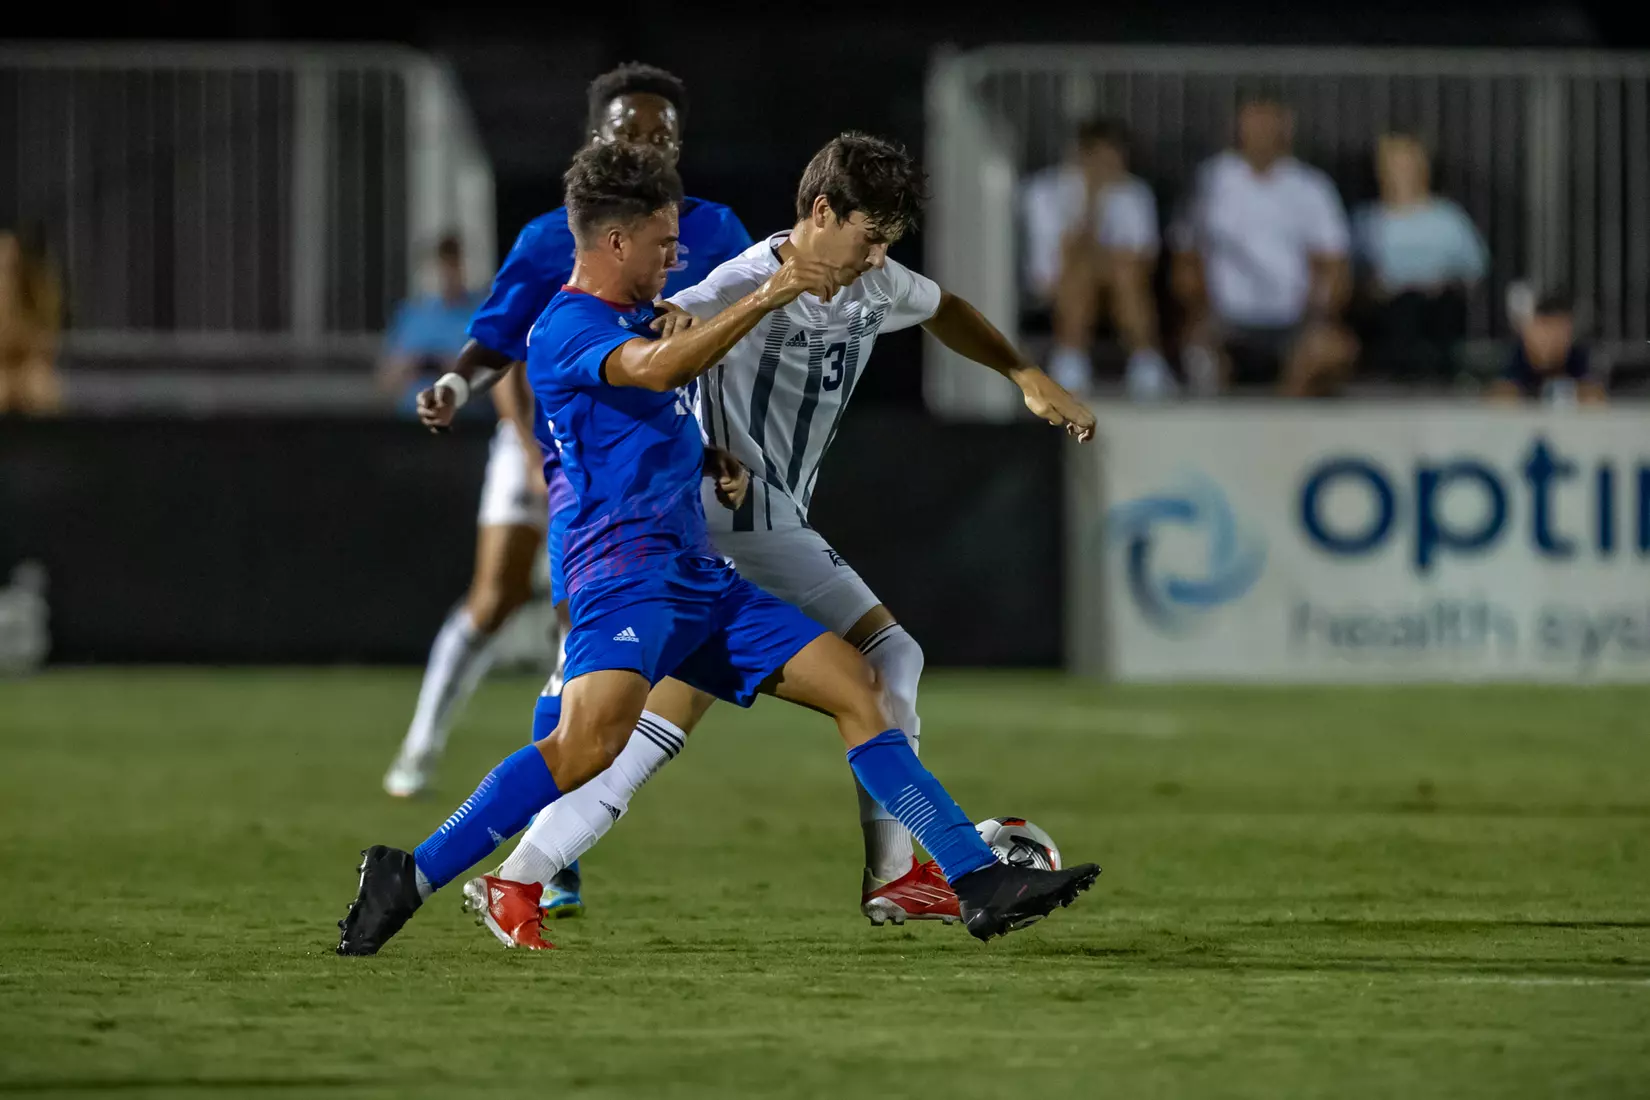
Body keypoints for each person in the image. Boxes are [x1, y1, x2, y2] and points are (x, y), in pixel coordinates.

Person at [335, 140, 1100, 956]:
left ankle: (972, 878)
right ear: (616, 242)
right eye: (664, 244)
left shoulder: (678, 305)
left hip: (699, 569)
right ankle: (417, 873)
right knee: (587, 743)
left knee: (859, 684)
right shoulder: (575, 323)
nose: (679, 255)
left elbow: (660, 405)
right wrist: (766, 296)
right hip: (631, 572)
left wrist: (710, 455)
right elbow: (658, 370)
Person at [381, 63, 753, 803]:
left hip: (664, 455)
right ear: (598, 139)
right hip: (557, 448)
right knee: (510, 606)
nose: (648, 145)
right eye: (630, 132)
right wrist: (460, 390)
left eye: (662, 134)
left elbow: (742, 338)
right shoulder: (558, 236)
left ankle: (555, 843)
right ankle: (432, 757)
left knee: (621, 640)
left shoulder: (714, 231)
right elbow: (505, 342)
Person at [1171, 90, 1357, 397]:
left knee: (1335, 350)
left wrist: (1319, 316)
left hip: (1293, 323)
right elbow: (1186, 256)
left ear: (1286, 127)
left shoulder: (1312, 187)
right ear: (1238, 126)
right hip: (1225, 320)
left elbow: (1335, 265)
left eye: (1269, 124)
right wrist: (1198, 308)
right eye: (1253, 123)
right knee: (1196, 350)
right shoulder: (1209, 182)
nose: (1261, 133)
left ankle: (1282, 419)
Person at [1021, 116, 1173, 399]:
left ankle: (1145, 363)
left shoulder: (1135, 193)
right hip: (1058, 283)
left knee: (1123, 273)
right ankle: (1071, 358)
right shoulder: (1045, 192)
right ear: (1083, 155)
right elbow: (1058, 261)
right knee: (1083, 271)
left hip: (1122, 291)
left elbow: (1143, 264)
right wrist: (1093, 203)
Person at [1352, 133, 1488, 382]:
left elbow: (1474, 272)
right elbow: (1353, 275)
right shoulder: (1365, 220)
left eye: (1408, 165)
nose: (1402, 173)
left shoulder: (1448, 218)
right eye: (1394, 165)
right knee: (1404, 307)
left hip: (1438, 307)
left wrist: (1443, 285)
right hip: (1386, 309)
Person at [376, 233, 489, 421]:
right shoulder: (410, 315)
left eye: (454, 264)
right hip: (412, 424)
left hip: (465, 427)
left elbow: (492, 380)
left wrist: (448, 366)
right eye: (442, 264)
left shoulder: (482, 315)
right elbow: (385, 381)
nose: (448, 273)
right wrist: (413, 365)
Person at [1489, 289, 1604, 404]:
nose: (1551, 341)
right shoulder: (1514, 355)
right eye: (1546, 332)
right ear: (1530, 332)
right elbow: (1499, 397)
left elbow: (1595, 396)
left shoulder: (1577, 355)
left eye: (1560, 333)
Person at [0, 225, 63, 416]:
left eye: (10, 267)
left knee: (39, 386)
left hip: (28, 370)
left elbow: (44, 345)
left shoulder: (36, 292)